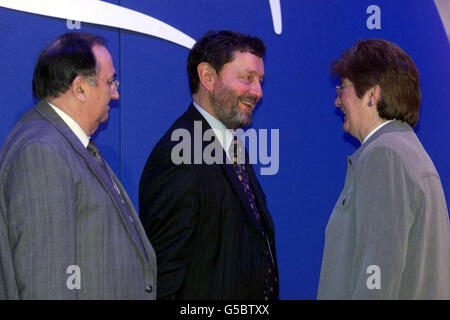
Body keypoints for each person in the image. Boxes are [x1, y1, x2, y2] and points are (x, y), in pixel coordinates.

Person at [0, 32, 156, 299]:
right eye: (110, 83)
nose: (115, 94)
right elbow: (47, 283)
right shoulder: (42, 152)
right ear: (80, 88)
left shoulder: (62, 144)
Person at [139, 30, 278, 300]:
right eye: (246, 78)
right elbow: (167, 274)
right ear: (208, 77)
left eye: (260, 81)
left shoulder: (231, 145)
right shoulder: (178, 155)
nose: (258, 92)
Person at [317, 39, 449, 299]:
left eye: (343, 88)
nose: (337, 101)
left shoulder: (385, 155)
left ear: (373, 95)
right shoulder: (405, 151)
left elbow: (376, 275)